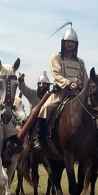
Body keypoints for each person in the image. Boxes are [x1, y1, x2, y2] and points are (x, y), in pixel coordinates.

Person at [33, 22, 89, 152]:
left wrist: (86, 89)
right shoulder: (56, 57)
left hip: (78, 95)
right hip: (61, 93)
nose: (70, 44)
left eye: (72, 42)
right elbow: (56, 75)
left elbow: (85, 79)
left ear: (76, 44)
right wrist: (69, 83)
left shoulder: (80, 62)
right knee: (45, 108)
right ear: (63, 43)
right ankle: (38, 138)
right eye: (68, 42)